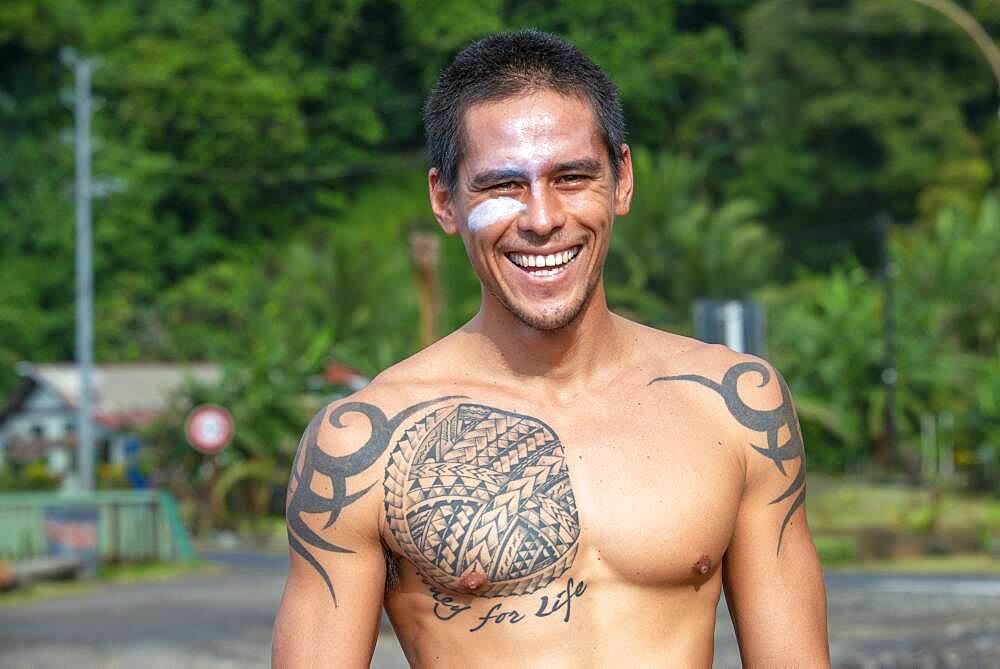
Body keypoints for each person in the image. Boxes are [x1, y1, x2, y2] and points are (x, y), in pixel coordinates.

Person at [272, 29, 830, 668]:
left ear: (621, 181)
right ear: (444, 200)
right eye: (501, 186)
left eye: (570, 177)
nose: (541, 218)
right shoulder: (362, 444)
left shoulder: (734, 409)